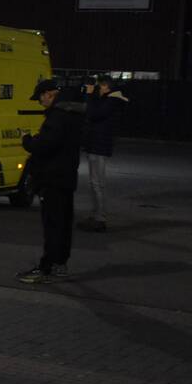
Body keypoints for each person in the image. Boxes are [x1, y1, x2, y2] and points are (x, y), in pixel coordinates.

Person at [16, 79, 85, 284]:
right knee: (63, 224)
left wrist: (27, 140)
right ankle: (60, 265)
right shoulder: (74, 113)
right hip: (66, 177)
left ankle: (46, 268)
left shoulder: (57, 116)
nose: (40, 103)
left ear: (48, 94)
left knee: (53, 225)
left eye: (40, 99)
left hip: (52, 178)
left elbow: (45, 145)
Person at [78, 75, 129, 232]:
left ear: (106, 86)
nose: (96, 88)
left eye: (98, 86)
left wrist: (89, 95)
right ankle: (96, 215)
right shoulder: (106, 100)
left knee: (98, 183)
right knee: (95, 183)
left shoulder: (112, 101)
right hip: (95, 144)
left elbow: (93, 114)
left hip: (99, 146)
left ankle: (100, 218)